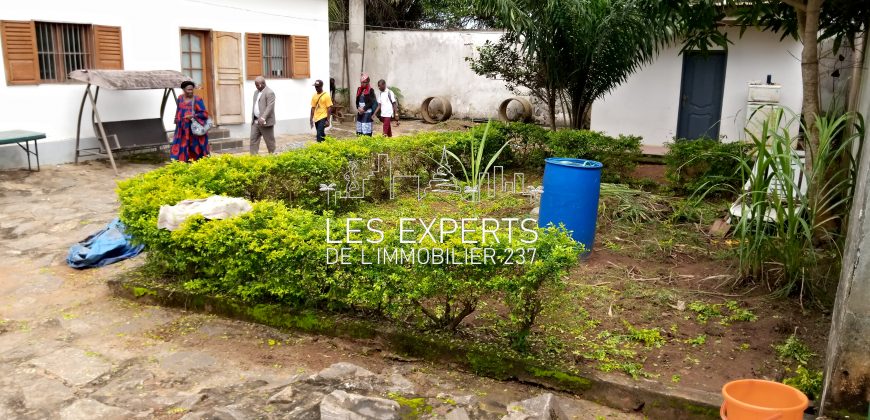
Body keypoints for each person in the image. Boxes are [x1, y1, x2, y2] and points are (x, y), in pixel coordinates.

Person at [171, 80, 210, 162]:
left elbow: (204, 114)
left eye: (192, 89)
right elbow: (178, 109)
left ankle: (198, 162)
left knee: (195, 146)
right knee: (181, 144)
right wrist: (176, 118)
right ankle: (182, 161)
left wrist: (193, 116)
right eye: (188, 89)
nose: (191, 91)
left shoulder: (197, 99)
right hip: (182, 128)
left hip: (194, 128)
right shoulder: (180, 98)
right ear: (183, 90)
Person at [250, 76, 277, 155]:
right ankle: (253, 159)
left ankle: (273, 157)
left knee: (269, 142)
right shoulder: (256, 92)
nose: (256, 87)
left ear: (263, 84)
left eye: (257, 85)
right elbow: (256, 105)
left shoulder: (269, 92)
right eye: (255, 85)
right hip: (255, 121)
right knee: (253, 140)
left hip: (265, 122)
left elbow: (270, 107)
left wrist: (263, 117)